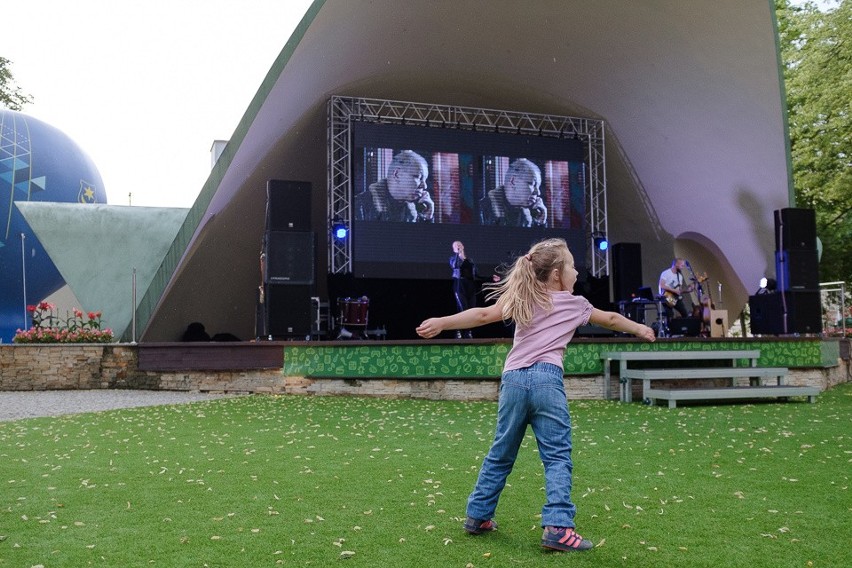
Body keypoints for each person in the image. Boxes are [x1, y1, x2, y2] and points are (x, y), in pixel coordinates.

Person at [416, 238, 655, 552]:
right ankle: (558, 528)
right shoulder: (577, 304)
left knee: (501, 453)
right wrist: (640, 328)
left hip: (513, 380)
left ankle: (478, 516)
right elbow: (610, 319)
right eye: (570, 266)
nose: (575, 272)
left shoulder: (522, 295)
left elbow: (482, 316)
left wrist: (442, 323)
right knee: (557, 456)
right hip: (546, 380)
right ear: (557, 273)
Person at [354, 150, 434, 222]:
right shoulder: (360, 205)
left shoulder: (415, 212)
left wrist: (427, 218)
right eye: (418, 177)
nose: (425, 186)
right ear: (397, 174)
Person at [479, 158, 547, 227]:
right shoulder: (482, 211)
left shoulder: (532, 214)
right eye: (532, 184)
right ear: (513, 181)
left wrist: (541, 222)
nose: (538, 193)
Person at [449, 240, 477, 339]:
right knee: (463, 310)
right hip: (459, 286)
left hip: (470, 287)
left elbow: (475, 275)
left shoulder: (470, 260)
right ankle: (458, 331)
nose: (458, 246)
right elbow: (455, 266)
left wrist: (491, 278)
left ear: (463, 246)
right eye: (456, 246)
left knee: (471, 310)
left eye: (459, 244)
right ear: (454, 249)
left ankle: (468, 332)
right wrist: (458, 254)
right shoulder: (453, 259)